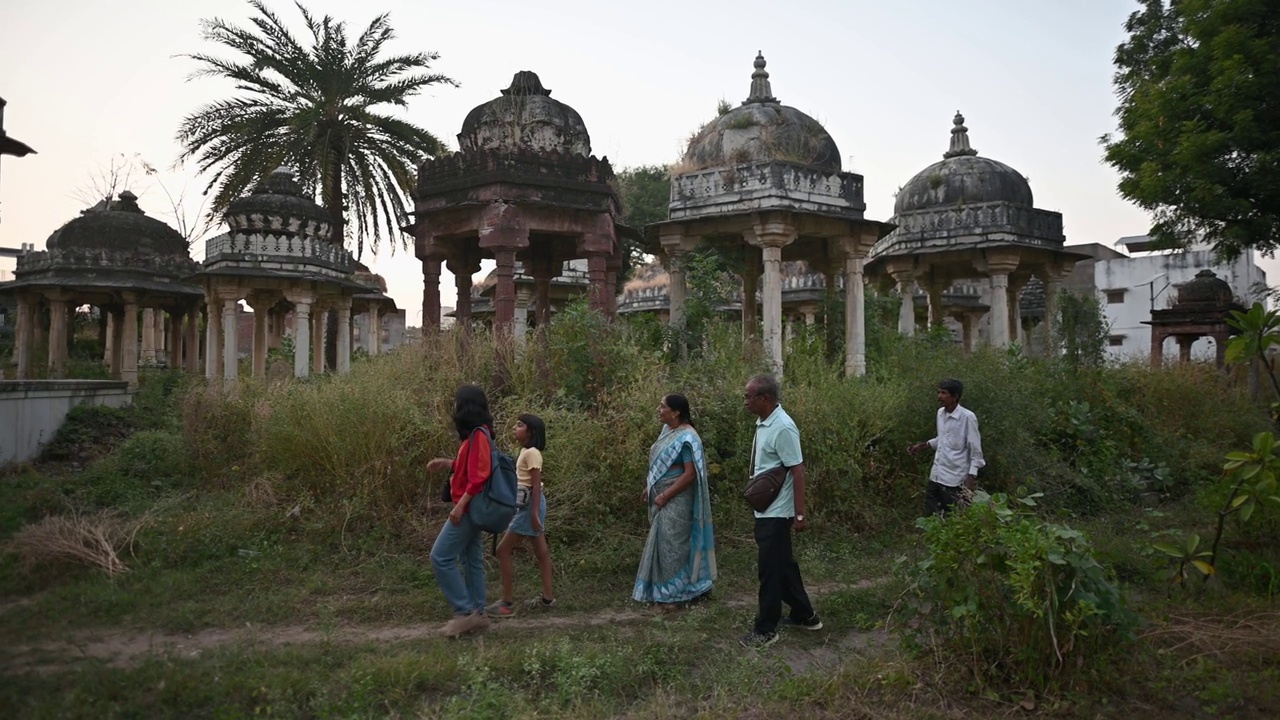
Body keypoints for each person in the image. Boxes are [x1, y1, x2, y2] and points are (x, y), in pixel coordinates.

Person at [740, 374, 821, 649]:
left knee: (770, 572)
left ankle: (766, 629)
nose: (745, 402)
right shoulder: (764, 422)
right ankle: (805, 615)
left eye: (749, 397)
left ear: (765, 398)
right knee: (783, 566)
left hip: (777, 512)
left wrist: (799, 515)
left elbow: (797, 470)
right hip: (766, 509)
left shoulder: (784, 427)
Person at [633, 393, 717, 607]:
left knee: (674, 545)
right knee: (663, 543)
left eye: (663, 407)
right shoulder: (668, 431)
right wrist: (650, 487)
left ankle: (677, 595)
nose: (658, 410)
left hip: (677, 499)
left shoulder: (688, 438)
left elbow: (689, 474)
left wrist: (664, 495)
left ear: (676, 412)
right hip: (662, 496)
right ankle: (668, 591)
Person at [425, 385, 495, 637]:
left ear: (465, 406)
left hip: (468, 508)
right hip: (470, 507)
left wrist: (459, 506)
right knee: (471, 560)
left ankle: (464, 613)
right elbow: (470, 466)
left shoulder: (479, 435)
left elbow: (479, 477)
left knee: (440, 556)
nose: (454, 407)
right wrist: (448, 464)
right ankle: (479, 613)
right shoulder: (476, 435)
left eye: (456, 403)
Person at [487, 414, 556, 617]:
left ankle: (506, 603)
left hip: (530, 506)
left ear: (531, 432)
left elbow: (535, 485)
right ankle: (547, 598)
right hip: (529, 505)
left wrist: (534, 513)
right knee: (542, 553)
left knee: (502, 551)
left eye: (520, 425)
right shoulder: (526, 452)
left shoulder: (532, 453)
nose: (515, 428)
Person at [908, 378, 986, 516]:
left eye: (944, 393)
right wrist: (922, 446)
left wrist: (971, 478)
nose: (939, 397)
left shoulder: (967, 417)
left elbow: (975, 450)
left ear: (955, 396)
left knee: (952, 517)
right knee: (931, 515)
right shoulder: (940, 414)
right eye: (939, 392)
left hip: (954, 479)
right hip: (937, 474)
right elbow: (943, 440)